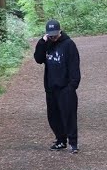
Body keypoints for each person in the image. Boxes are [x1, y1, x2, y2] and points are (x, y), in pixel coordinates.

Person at [33, 19, 82, 153]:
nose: (53, 37)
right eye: (50, 35)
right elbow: (38, 59)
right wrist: (42, 42)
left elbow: (74, 66)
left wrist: (72, 86)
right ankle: (60, 140)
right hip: (51, 88)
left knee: (69, 115)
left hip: (66, 88)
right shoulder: (47, 44)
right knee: (53, 117)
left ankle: (73, 143)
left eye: (55, 35)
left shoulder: (69, 44)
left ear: (60, 31)